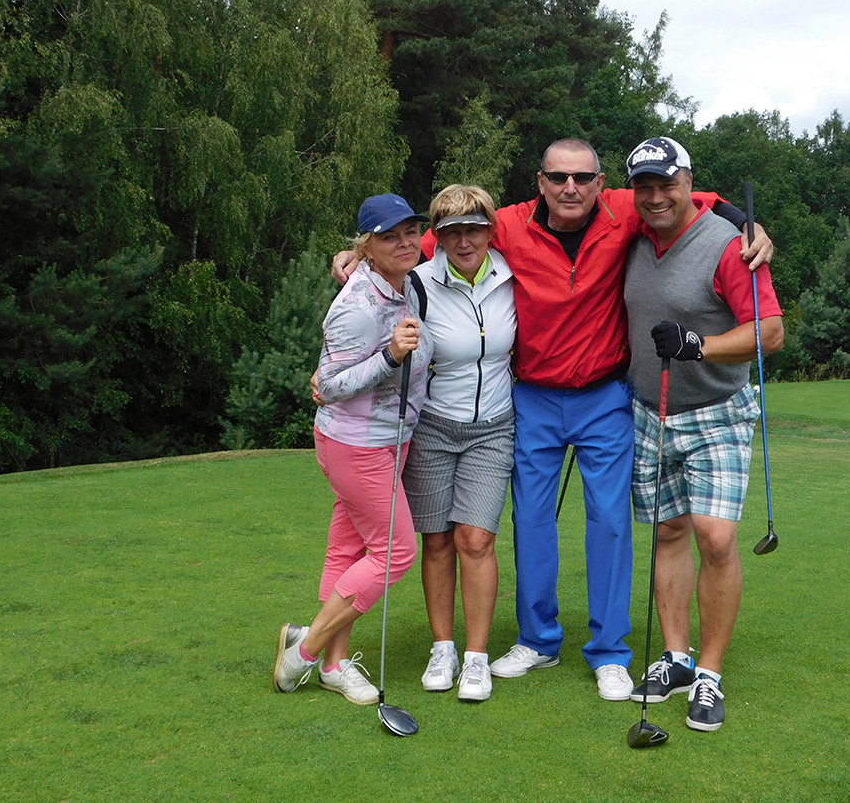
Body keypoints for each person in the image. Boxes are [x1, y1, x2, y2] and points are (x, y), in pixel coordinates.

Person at [334, 139, 774, 701]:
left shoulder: (623, 210)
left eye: (582, 178)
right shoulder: (507, 225)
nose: (571, 187)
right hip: (534, 398)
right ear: (540, 182)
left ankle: (609, 651)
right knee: (532, 521)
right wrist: (362, 256)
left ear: (600, 182)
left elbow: (691, 198)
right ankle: (538, 639)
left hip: (604, 395)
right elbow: (441, 237)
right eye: (558, 177)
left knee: (610, 522)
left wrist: (745, 223)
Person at [622, 136, 784, 732]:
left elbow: (770, 332)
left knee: (715, 539)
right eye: (644, 186)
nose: (656, 197)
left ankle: (709, 674)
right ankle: (675, 658)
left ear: (688, 182)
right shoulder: (633, 233)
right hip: (650, 410)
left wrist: (698, 345)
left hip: (717, 409)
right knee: (668, 533)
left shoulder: (726, 245)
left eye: (667, 184)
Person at [273, 193, 434, 703]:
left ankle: (334, 665)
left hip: (389, 439)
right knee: (395, 552)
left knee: (348, 551)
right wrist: (389, 356)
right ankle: (306, 649)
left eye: (411, 231)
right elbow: (329, 384)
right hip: (356, 443)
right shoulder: (357, 307)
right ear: (367, 246)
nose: (405, 242)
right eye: (390, 236)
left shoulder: (405, 281)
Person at [402, 185, 517, 703]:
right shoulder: (417, 282)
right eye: (451, 232)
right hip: (432, 425)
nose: (464, 241)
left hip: (493, 426)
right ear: (438, 236)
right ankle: (442, 647)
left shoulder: (511, 276)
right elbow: (369, 312)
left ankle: (475, 657)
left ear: (490, 231)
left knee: (476, 539)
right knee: (437, 540)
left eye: (473, 229)